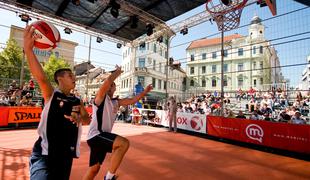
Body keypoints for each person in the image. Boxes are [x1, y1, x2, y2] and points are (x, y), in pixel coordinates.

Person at [24, 25, 90, 180]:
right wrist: (28, 50)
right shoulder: (52, 95)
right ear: (59, 79)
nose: (74, 77)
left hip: (66, 155)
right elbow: (41, 78)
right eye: (69, 75)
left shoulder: (77, 100)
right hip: (45, 154)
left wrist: (81, 119)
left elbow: (87, 120)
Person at [83, 66, 153, 180]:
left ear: (115, 88)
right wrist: (117, 72)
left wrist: (145, 92)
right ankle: (109, 177)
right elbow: (106, 83)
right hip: (96, 135)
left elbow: (132, 101)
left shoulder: (116, 102)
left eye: (112, 84)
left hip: (102, 137)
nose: (110, 85)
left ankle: (108, 175)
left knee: (94, 169)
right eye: (109, 84)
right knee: (123, 143)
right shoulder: (100, 98)